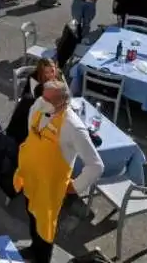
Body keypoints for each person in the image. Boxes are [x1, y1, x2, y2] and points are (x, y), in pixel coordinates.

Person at [13, 81, 103, 263]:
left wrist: (75, 187)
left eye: (47, 98)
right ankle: (33, 249)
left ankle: (42, 258)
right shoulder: (39, 105)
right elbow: (32, 129)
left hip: (50, 187)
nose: (41, 100)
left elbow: (96, 165)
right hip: (31, 176)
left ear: (62, 102)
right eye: (43, 96)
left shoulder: (74, 127)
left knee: (45, 226)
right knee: (32, 216)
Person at [6, 58, 65, 145]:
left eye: (53, 71)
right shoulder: (32, 97)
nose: (51, 75)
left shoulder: (57, 77)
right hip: (24, 130)